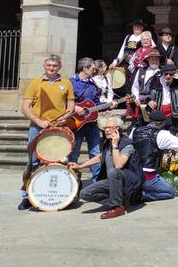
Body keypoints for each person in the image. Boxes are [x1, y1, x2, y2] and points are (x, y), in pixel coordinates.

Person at [19, 54, 75, 210]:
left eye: (54, 66)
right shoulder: (35, 83)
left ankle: (64, 196)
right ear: (44, 66)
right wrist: (38, 121)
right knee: (33, 162)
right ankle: (27, 197)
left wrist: (65, 117)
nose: (51, 68)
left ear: (59, 67)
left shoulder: (67, 83)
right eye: (49, 65)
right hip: (38, 127)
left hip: (60, 127)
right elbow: (25, 107)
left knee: (61, 161)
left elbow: (70, 106)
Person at [70, 116, 142, 219]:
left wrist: (115, 145)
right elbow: (100, 157)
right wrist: (81, 166)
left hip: (127, 180)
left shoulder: (127, 144)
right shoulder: (107, 142)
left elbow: (119, 165)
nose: (107, 130)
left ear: (118, 129)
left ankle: (117, 207)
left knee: (114, 171)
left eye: (110, 127)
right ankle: (121, 199)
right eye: (106, 128)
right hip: (113, 181)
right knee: (84, 194)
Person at [129, 110, 178, 201]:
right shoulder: (161, 134)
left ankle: (137, 190)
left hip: (132, 173)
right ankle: (141, 195)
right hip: (148, 176)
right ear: (162, 123)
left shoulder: (134, 131)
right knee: (171, 192)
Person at [69, 58, 105, 181]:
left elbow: (96, 103)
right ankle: (71, 181)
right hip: (75, 124)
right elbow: (63, 102)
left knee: (95, 153)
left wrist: (105, 107)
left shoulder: (93, 85)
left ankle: (97, 183)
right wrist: (75, 107)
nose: (95, 71)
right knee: (73, 154)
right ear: (85, 68)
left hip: (91, 124)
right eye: (93, 69)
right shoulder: (70, 83)